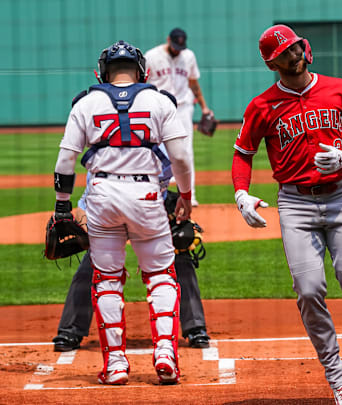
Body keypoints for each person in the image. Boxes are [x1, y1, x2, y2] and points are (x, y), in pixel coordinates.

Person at [231, 24, 342, 405]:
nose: (295, 54)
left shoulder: (339, 88)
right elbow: (243, 152)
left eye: (297, 47)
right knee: (308, 290)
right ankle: (338, 377)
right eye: (286, 52)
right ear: (274, 63)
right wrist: (241, 194)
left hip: (341, 197)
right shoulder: (262, 106)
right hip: (295, 204)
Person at [52, 40, 193, 385]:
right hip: (146, 195)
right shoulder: (160, 101)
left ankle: (115, 364)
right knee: (161, 275)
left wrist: (62, 205)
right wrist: (186, 196)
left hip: (101, 196)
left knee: (108, 280)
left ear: (102, 71)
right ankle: (165, 355)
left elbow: (65, 161)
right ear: (142, 70)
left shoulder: (86, 103)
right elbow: (181, 158)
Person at [52, 146, 211, 353]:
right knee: (92, 264)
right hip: (111, 214)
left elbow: (176, 173)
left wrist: (179, 210)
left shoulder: (162, 150)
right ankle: (70, 330)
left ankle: (195, 328)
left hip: (152, 211)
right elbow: (85, 203)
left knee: (179, 255)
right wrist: (87, 233)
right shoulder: (106, 161)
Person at [145, 27, 213, 207]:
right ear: (168, 40)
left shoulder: (188, 56)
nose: (177, 49)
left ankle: (190, 195)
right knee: (155, 151)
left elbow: (193, 82)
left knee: (186, 152)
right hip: (157, 108)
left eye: (180, 47)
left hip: (183, 108)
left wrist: (205, 108)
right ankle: (155, 194)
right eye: (175, 45)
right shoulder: (151, 56)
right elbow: (141, 83)